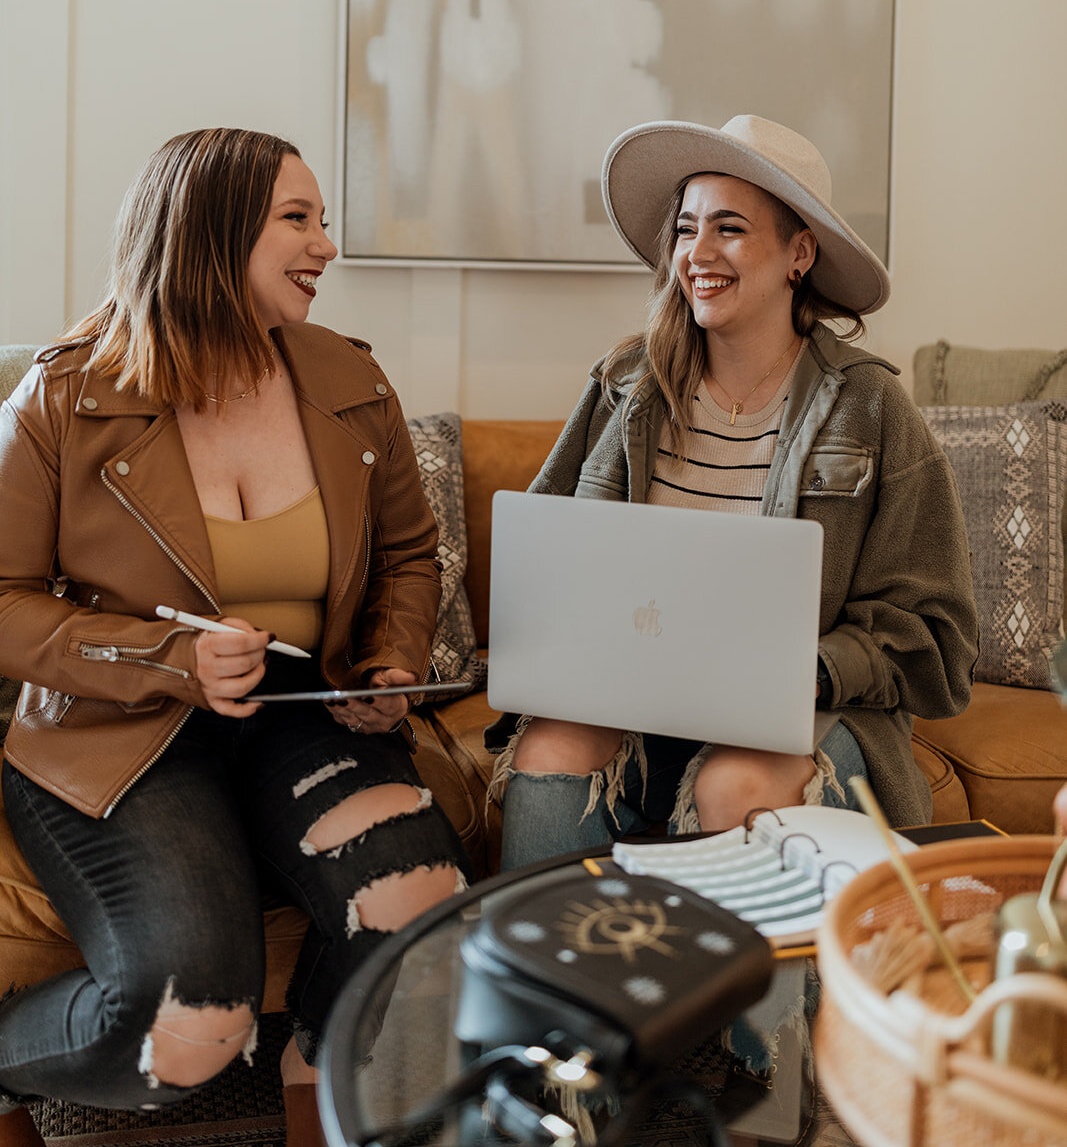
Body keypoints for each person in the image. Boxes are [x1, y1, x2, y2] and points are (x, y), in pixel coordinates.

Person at [0, 129, 468, 1147]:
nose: (325, 245)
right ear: (210, 233)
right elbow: (3, 599)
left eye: (323, 219)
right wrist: (170, 658)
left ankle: (316, 1048)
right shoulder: (63, 395)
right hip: (118, 726)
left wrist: (391, 658)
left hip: (304, 707)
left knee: (417, 901)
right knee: (189, 1032)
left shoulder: (347, 378)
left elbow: (407, 555)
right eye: (296, 220)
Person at [492, 115, 979, 870]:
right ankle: (557, 983)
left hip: (808, 716)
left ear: (798, 254)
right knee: (552, 748)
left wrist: (807, 671)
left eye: (729, 228)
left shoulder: (872, 409)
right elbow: (538, 557)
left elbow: (936, 637)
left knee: (734, 782)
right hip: (632, 700)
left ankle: (738, 990)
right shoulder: (623, 385)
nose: (699, 253)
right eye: (686, 229)